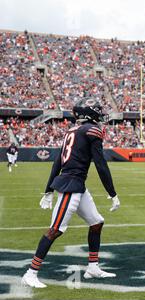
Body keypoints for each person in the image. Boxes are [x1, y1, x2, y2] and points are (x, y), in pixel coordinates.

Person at [21, 98, 121, 288]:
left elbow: (58, 161)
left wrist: (48, 189)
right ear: (90, 114)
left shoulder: (73, 130)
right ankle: (31, 272)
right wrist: (112, 193)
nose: (101, 115)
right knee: (55, 229)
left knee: (97, 223)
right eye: (98, 111)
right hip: (71, 185)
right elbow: (100, 164)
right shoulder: (92, 130)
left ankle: (92, 267)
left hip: (76, 184)